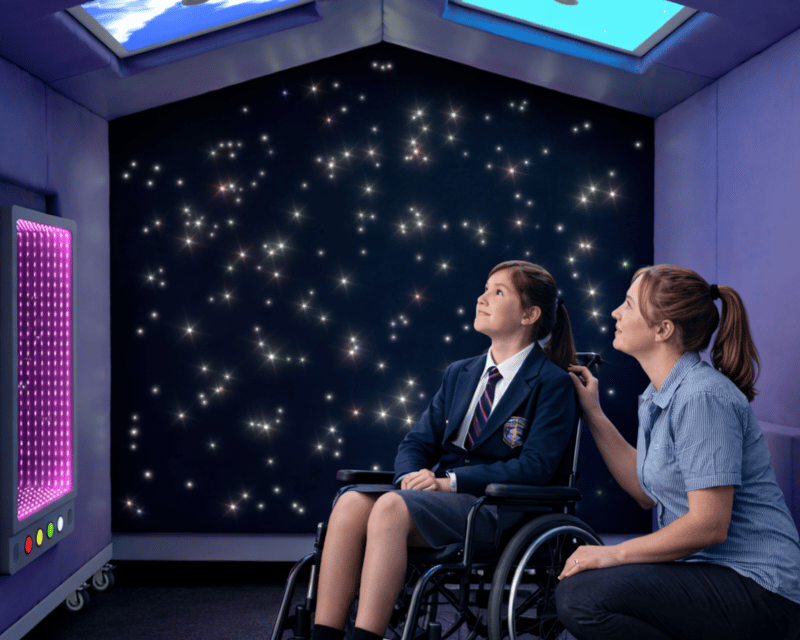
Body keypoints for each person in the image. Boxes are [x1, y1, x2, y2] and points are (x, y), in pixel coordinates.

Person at [310, 261, 579, 640]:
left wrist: (448, 482)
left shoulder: (551, 383)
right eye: (485, 289)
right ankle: (323, 635)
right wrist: (410, 477)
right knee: (351, 501)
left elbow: (535, 467)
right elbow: (416, 442)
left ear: (529, 315)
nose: (482, 298)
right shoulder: (461, 373)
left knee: (390, 508)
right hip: (443, 502)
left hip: (498, 508)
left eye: (498, 292)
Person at [556, 265, 800, 640]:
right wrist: (594, 414)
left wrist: (613, 553)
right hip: (708, 571)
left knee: (583, 597)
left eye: (628, 305)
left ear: (663, 329)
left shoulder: (702, 397)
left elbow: (709, 523)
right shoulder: (659, 395)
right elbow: (645, 493)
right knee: (582, 589)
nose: (615, 313)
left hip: (761, 586)